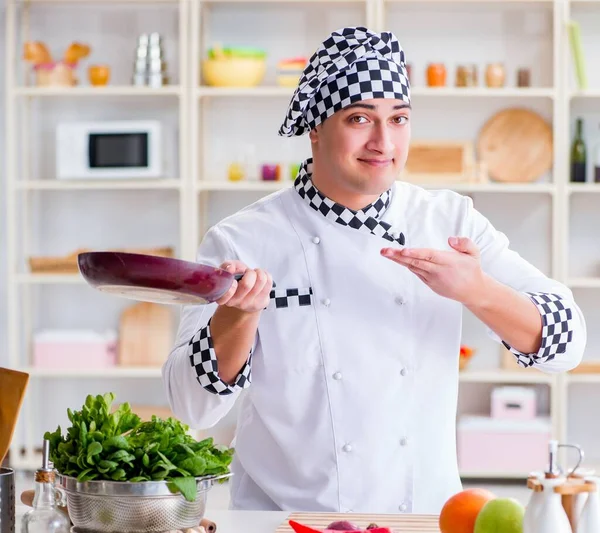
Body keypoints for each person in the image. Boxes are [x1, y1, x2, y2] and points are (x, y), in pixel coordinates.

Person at [162, 26, 586, 514]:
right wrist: (236, 319)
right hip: (283, 520)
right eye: (360, 118)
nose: (383, 142)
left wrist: (479, 291)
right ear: (315, 127)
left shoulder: (448, 222)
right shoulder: (241, 240)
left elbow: (568, 345)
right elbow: (191, 408)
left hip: (425, 516)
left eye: (399, 118)